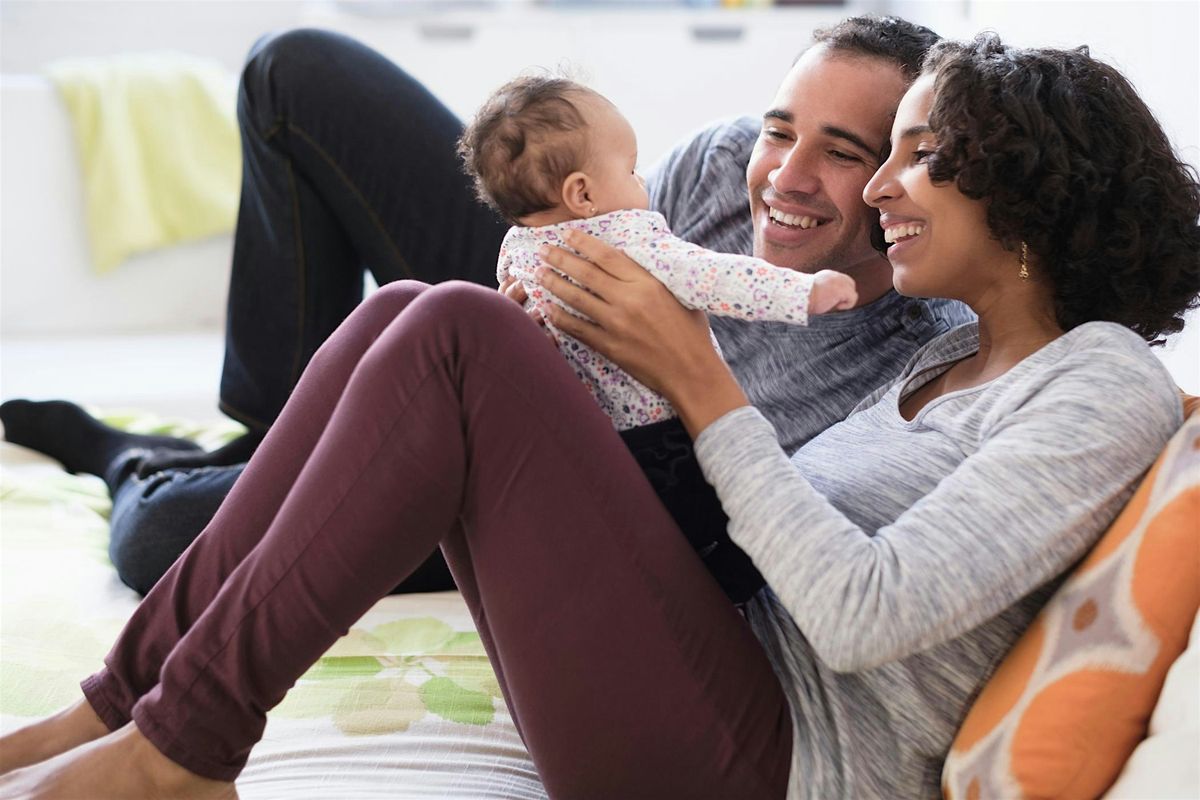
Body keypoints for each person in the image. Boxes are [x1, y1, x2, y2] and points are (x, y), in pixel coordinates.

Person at [4, 30, 1199, 800]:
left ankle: (184, 747)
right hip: (705, 671)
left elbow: (858, 612)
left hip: (766, 756)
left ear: (1029, 202)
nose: (880, 183)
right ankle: (126, 700)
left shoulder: (1100, 384)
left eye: (915, 156)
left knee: (457, 332)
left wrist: (699, 378)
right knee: (420, 306)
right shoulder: (958, 354)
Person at [0, 15, 967, 599]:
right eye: (779, 129)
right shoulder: (724, 163)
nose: (783, 177)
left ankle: (124, 456)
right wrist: (531, 279)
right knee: (294, 72)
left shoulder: (918, 349)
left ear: (908, 176)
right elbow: (609, 221)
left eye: (842, 152)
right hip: (536, 330)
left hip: (574, 473)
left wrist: (682, 369)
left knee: (165, 547)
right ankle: (269, 431)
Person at [460, 74, 857, 600]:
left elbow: (515, 318)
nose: (643, 182)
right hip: (658, 434)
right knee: (718, 530)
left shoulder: (516, 247)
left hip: (572, 435)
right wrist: (804, 293)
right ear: (582, 193)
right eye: (629, 169)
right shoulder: (628, 235)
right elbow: (715, 277)